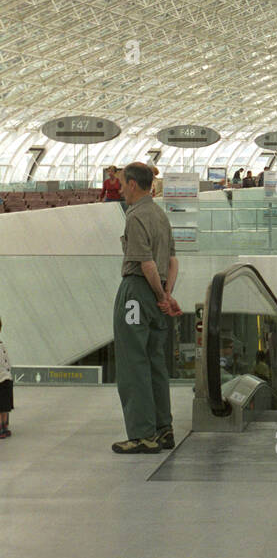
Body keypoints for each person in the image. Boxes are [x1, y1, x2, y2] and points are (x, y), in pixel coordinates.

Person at [111, 163, 182, 454]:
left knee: (133, 362)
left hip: (137, 292)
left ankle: (142, 434)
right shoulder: (160, 215)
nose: (119, 188)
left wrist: (157, 293)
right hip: (156, 295)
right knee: (155, 362)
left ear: (132, 184)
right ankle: (163, 429)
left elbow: (146, 263)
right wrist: (166, 295)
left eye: (121, 183)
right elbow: (172, 261)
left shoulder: (136, 216)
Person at [0, 317, 12, 439]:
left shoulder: (1, 344)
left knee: (4, 406)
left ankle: (4, 426)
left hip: (5, 378)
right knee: (2, 406)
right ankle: (1, 427)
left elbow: (7, 362)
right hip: (2, 378)